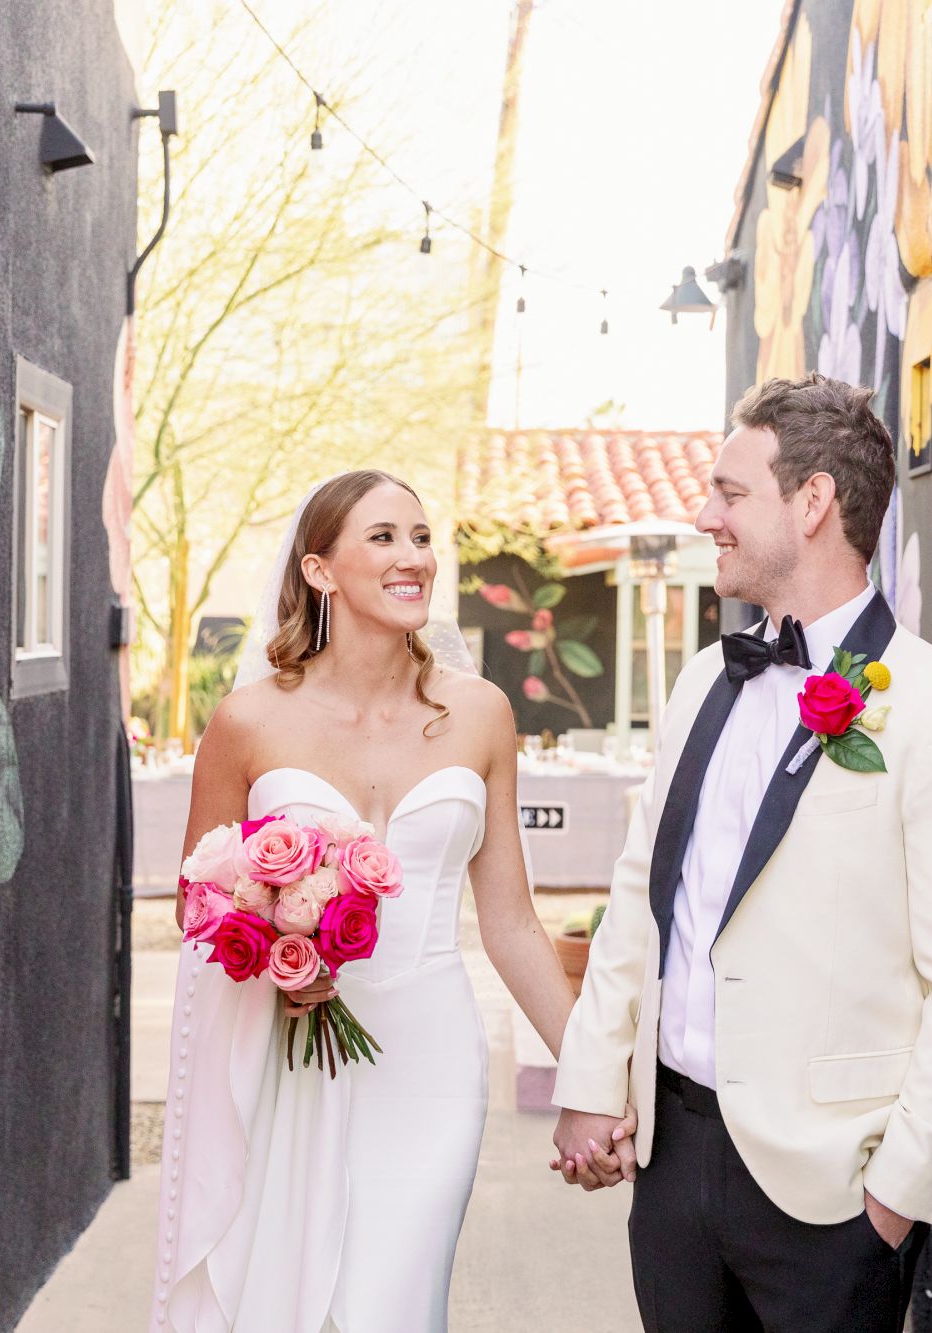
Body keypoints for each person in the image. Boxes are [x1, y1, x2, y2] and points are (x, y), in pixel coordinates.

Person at [550, 375, 932, 1332]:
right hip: (673, 1168)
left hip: (831, 1200)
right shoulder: (700, 685)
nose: (704, 515)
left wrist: (894, 1198)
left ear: (812, 503)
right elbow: (644, 897)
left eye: (730, 493)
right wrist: (591, 1085)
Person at [150, 469, 630, 1333]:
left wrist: (593, 1076)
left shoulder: (480, 713)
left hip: (431, 1060)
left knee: (393, 1307)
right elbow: (200, 903)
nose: (414, 558)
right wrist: (271, 953)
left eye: (420, 537)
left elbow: (513, 922)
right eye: (383, 538)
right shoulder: (248, 721)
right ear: (320, 570)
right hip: (284, 1058)